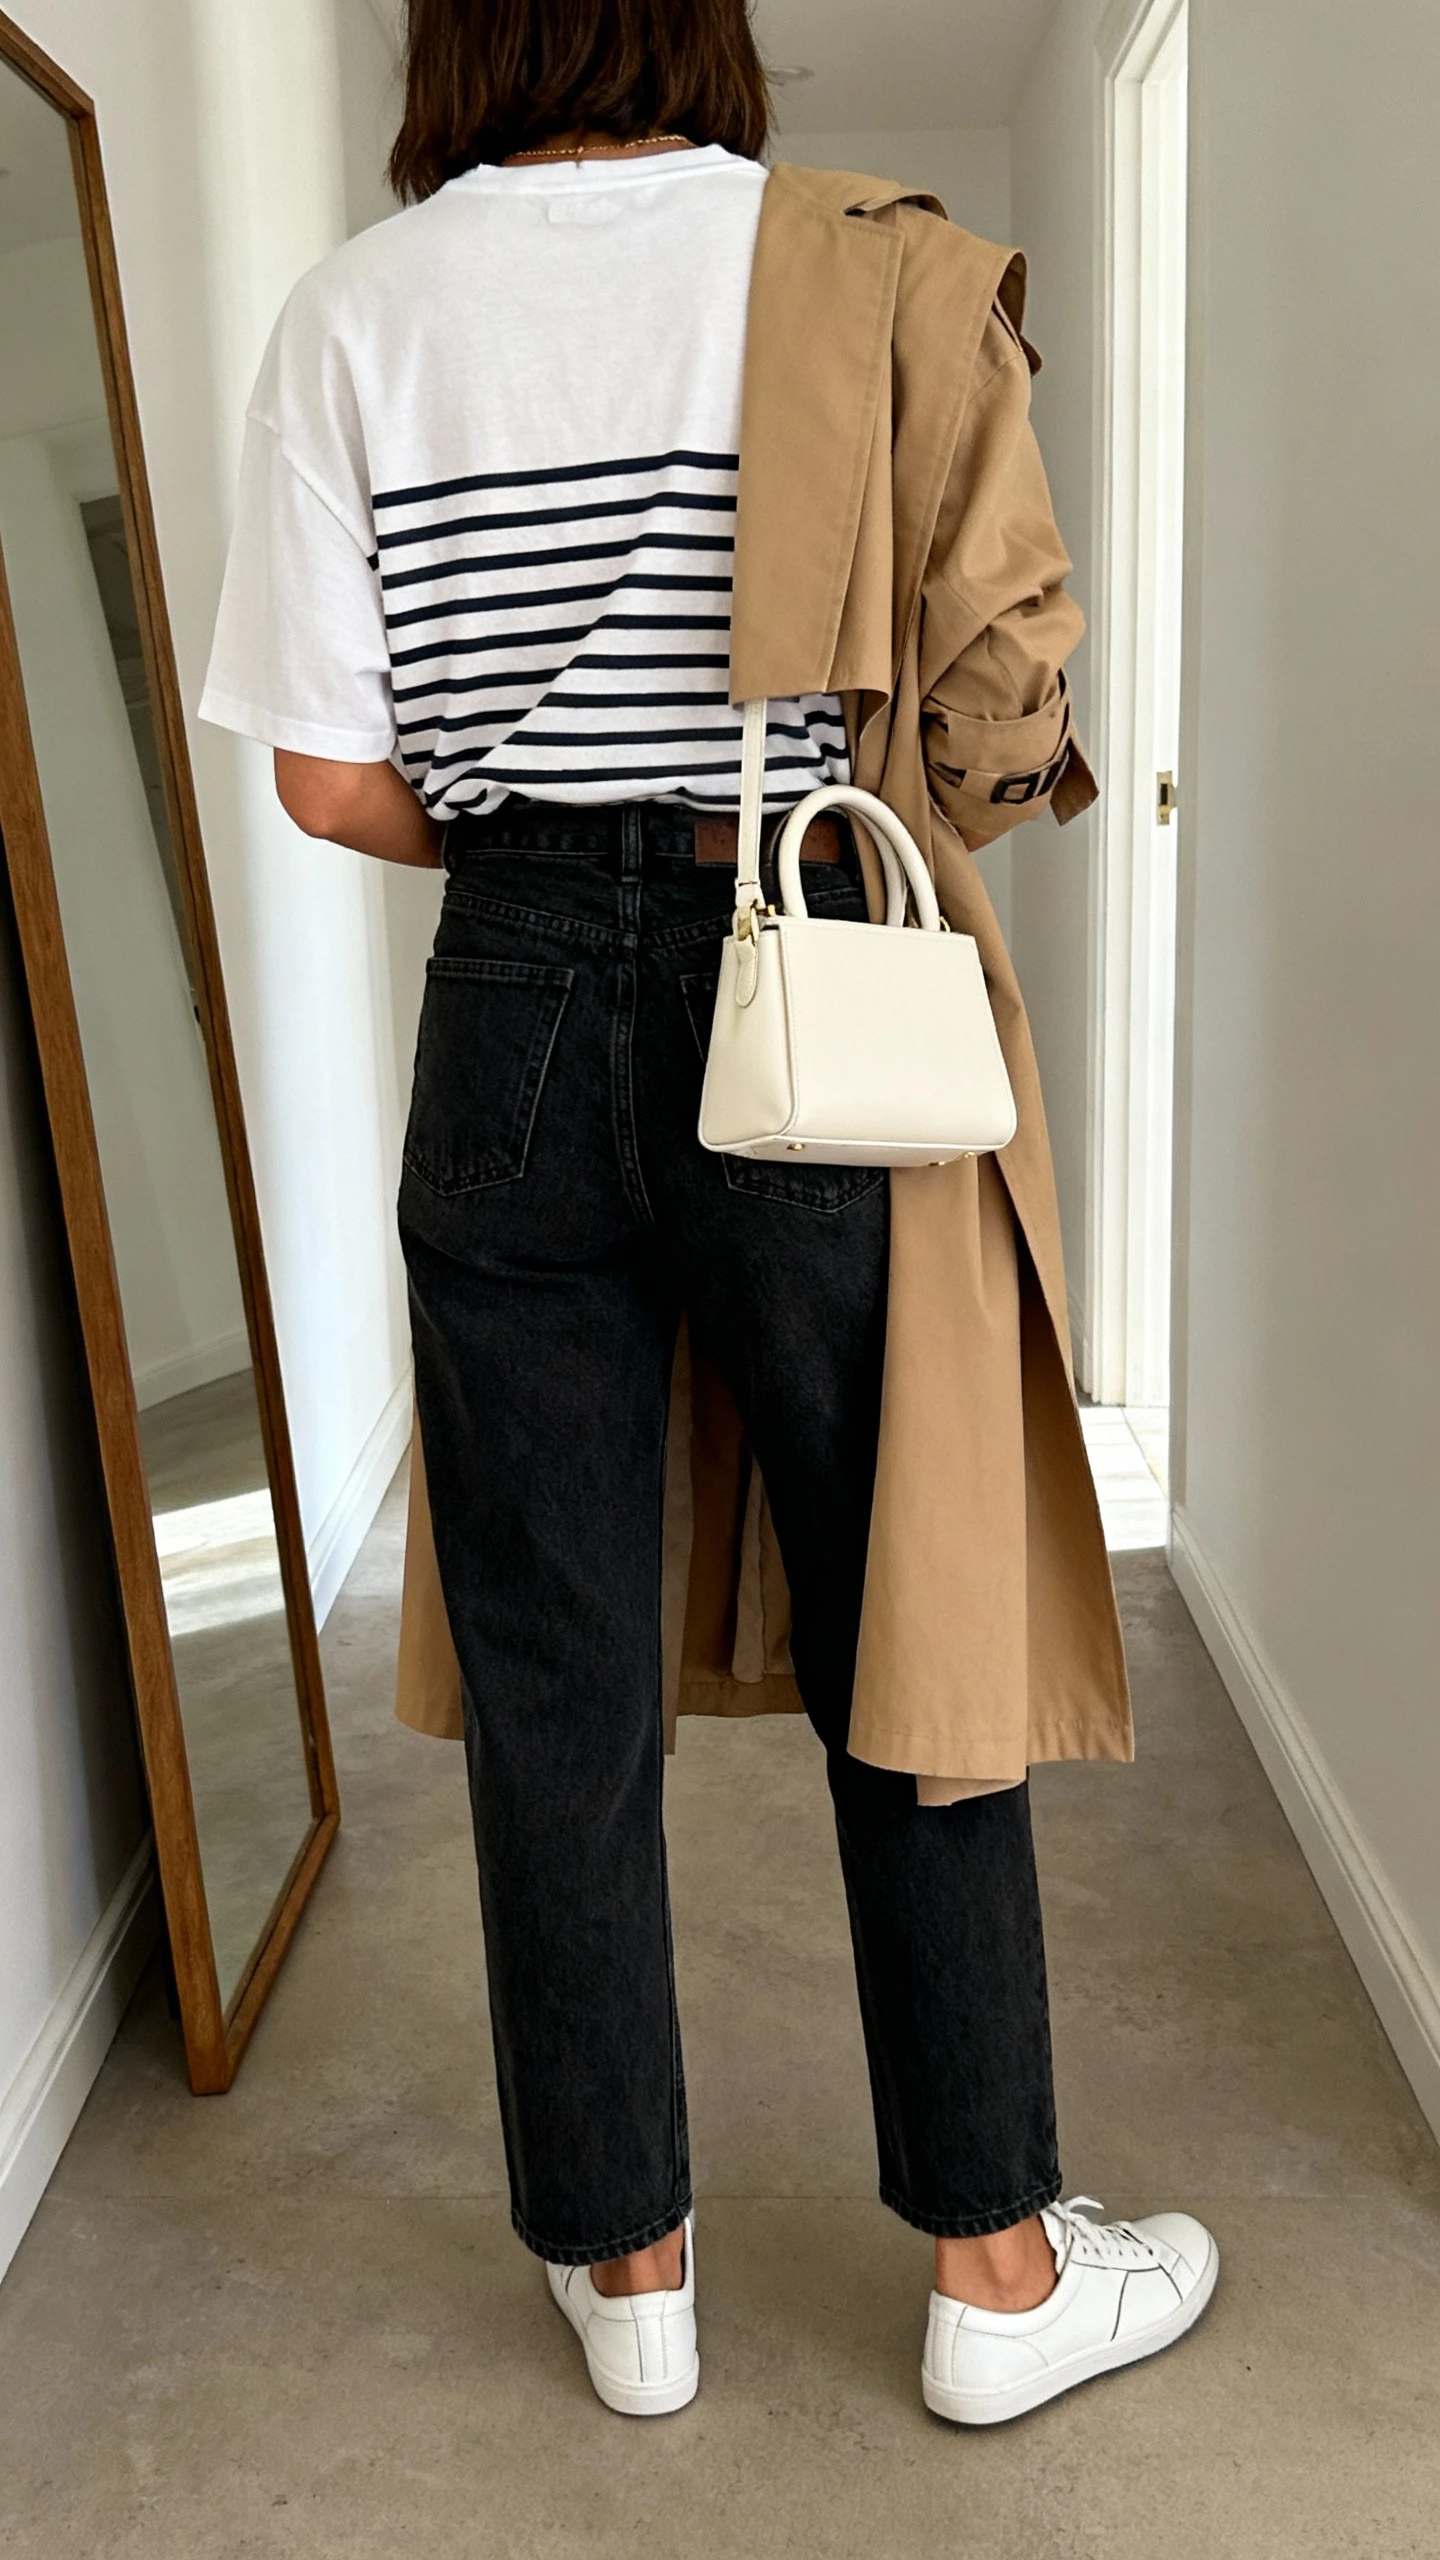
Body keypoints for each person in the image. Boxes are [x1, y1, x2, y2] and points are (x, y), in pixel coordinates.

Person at [201, 0, 1217, 2427]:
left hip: (513, 1005)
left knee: (561, 1678)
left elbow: (339, 784)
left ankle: (628, 2267)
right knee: (915, 1614)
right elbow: (992, 709)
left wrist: (551, 845)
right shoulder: (838, 258)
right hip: (816, 976)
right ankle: (994, 2264)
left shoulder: (356, 306)